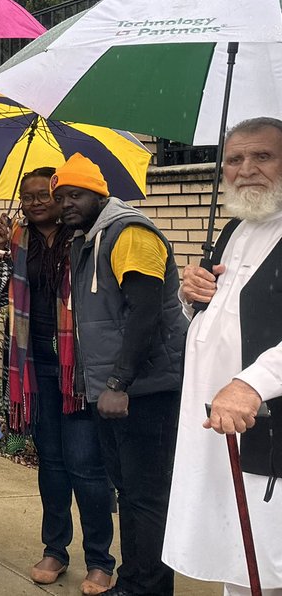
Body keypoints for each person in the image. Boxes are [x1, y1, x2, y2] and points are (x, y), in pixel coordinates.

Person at [52, 153, 187, 596]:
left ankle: (146, 587)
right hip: (115, 390)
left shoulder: (128, 233)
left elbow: (145, 312)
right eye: (61, 196)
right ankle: (133, 582)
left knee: (146, 498)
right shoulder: (88, 239)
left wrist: (117, 383)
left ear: (99, 194)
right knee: (128, 493)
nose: (66, 203)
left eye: (76, 195)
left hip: (146, 390)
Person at [163, 117, 282, 596]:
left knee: (270, 561)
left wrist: (251, 382)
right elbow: (218, 316)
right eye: (234, 159)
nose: (246, 169)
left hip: (268, 433)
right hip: (218, 430)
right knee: (240, 561)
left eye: (263, 156)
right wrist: (192, 294)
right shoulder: (234, 228)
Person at [0, 168, 115, 594]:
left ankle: (100, 560)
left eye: (45, 194)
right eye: (29, 195)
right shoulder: (18, 239)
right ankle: (55, 549)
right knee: (52, 466)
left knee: (86, 468)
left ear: (62, 199)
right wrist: (1, 251)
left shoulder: (83, 237)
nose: (36, 201)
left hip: (75, 371)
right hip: (35, 365)